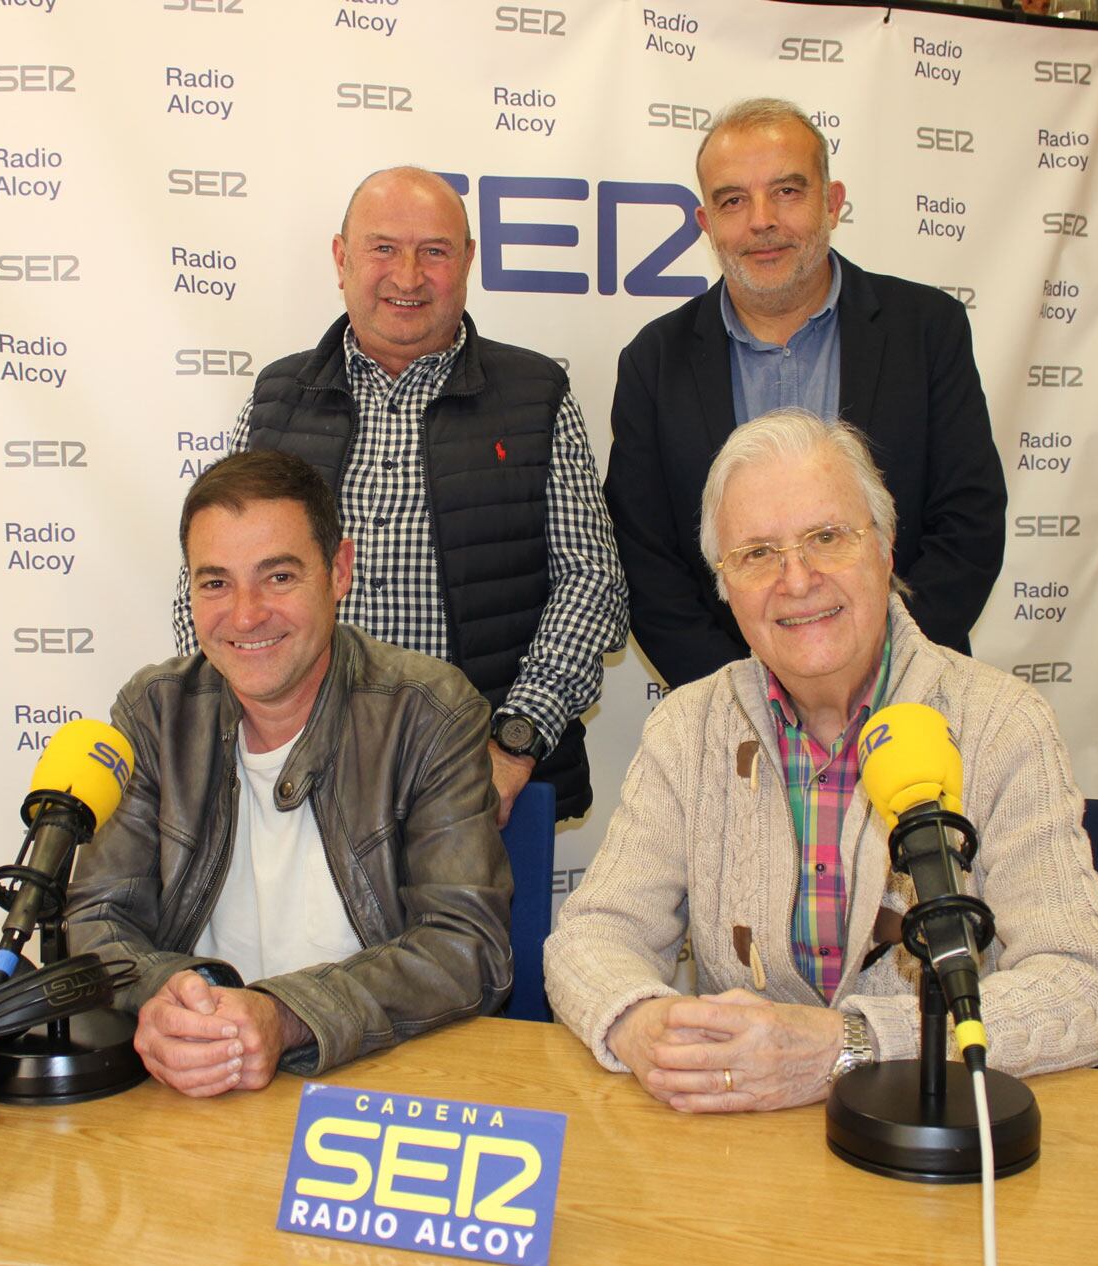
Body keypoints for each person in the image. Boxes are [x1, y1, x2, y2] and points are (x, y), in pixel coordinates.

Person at [544, 410, 1098, 1113]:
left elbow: (1084, 988)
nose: (797, 579)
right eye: (756, 553)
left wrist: (852, 1044)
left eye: (827, 537)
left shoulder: (1001, 724)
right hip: (744, 1149)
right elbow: (592, 936)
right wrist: (639, 1022)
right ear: (724, 586)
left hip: (940, 1141)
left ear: (884, 550)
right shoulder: (688, 729)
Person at [171, 166, 627, 824]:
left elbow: (592, 582)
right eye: (383, 248)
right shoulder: (278, 400)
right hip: (295, 786)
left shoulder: (534, 395)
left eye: (434, 251)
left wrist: (514, 744)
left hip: (477, 787)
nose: (408, 276)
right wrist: (249, 736)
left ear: (467, 260)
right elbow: (208, 581)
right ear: (341, 257)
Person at [67, 451, 513, 1096]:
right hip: (194, 1088)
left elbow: (466, 948)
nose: (245, 615)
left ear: (338, 572)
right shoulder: (154, 711)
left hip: (374, 1084)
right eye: (215, 582)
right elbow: (97, 922)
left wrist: (285, 1014)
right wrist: (168, 999)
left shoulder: (429, 712)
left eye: (277, 577)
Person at [605, 98, 1006, 689]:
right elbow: (646, 563)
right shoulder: (654, 361)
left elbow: (969, 524)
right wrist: (745, 698)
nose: (761, 220)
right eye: (733, 200)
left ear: (833, 202)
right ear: (706, 224)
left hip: (911, 698)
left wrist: (882, 674)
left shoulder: (926, 329)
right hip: (733, 723)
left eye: (787, 191)